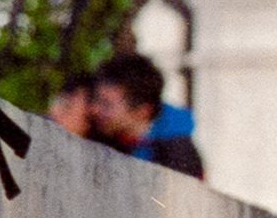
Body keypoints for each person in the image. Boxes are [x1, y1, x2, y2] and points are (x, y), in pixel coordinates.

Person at [79, 50, 204, 181]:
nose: (94, 109)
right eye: (95, 99)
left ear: (142, 112)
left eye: (106, 105)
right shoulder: (102, 135)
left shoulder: (177, 157)